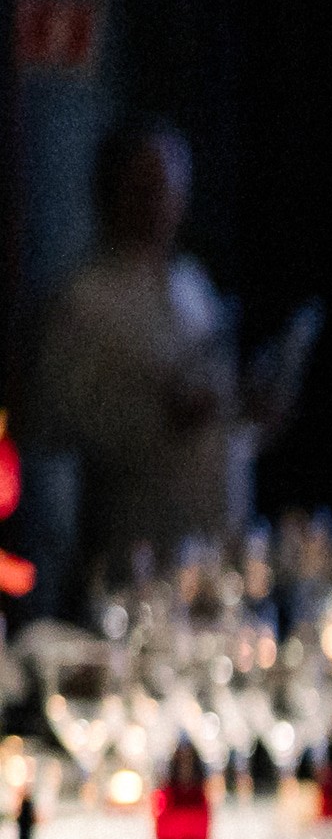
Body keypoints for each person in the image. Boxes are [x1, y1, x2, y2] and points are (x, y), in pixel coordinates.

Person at [22, 116, 301, 594]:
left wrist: (250, 414)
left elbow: (220, 405)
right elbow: (52, 424)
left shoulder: (191, 283)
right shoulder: (85, 301)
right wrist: (157, 419)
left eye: (171, 187)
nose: (162, 202)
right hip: (135, 550)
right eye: (147, 187)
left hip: (217, 545)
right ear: (113, 192)